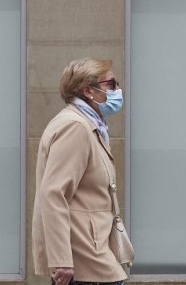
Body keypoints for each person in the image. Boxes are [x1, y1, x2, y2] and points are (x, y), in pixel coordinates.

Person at [32, 58, 127, 285]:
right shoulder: (76, 127)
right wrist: (62, 260)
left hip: (92, 252)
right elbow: (54, 194)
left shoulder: (89, 125)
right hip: (86, 258)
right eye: (110, 84)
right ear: (88, 91)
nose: (117, 90)